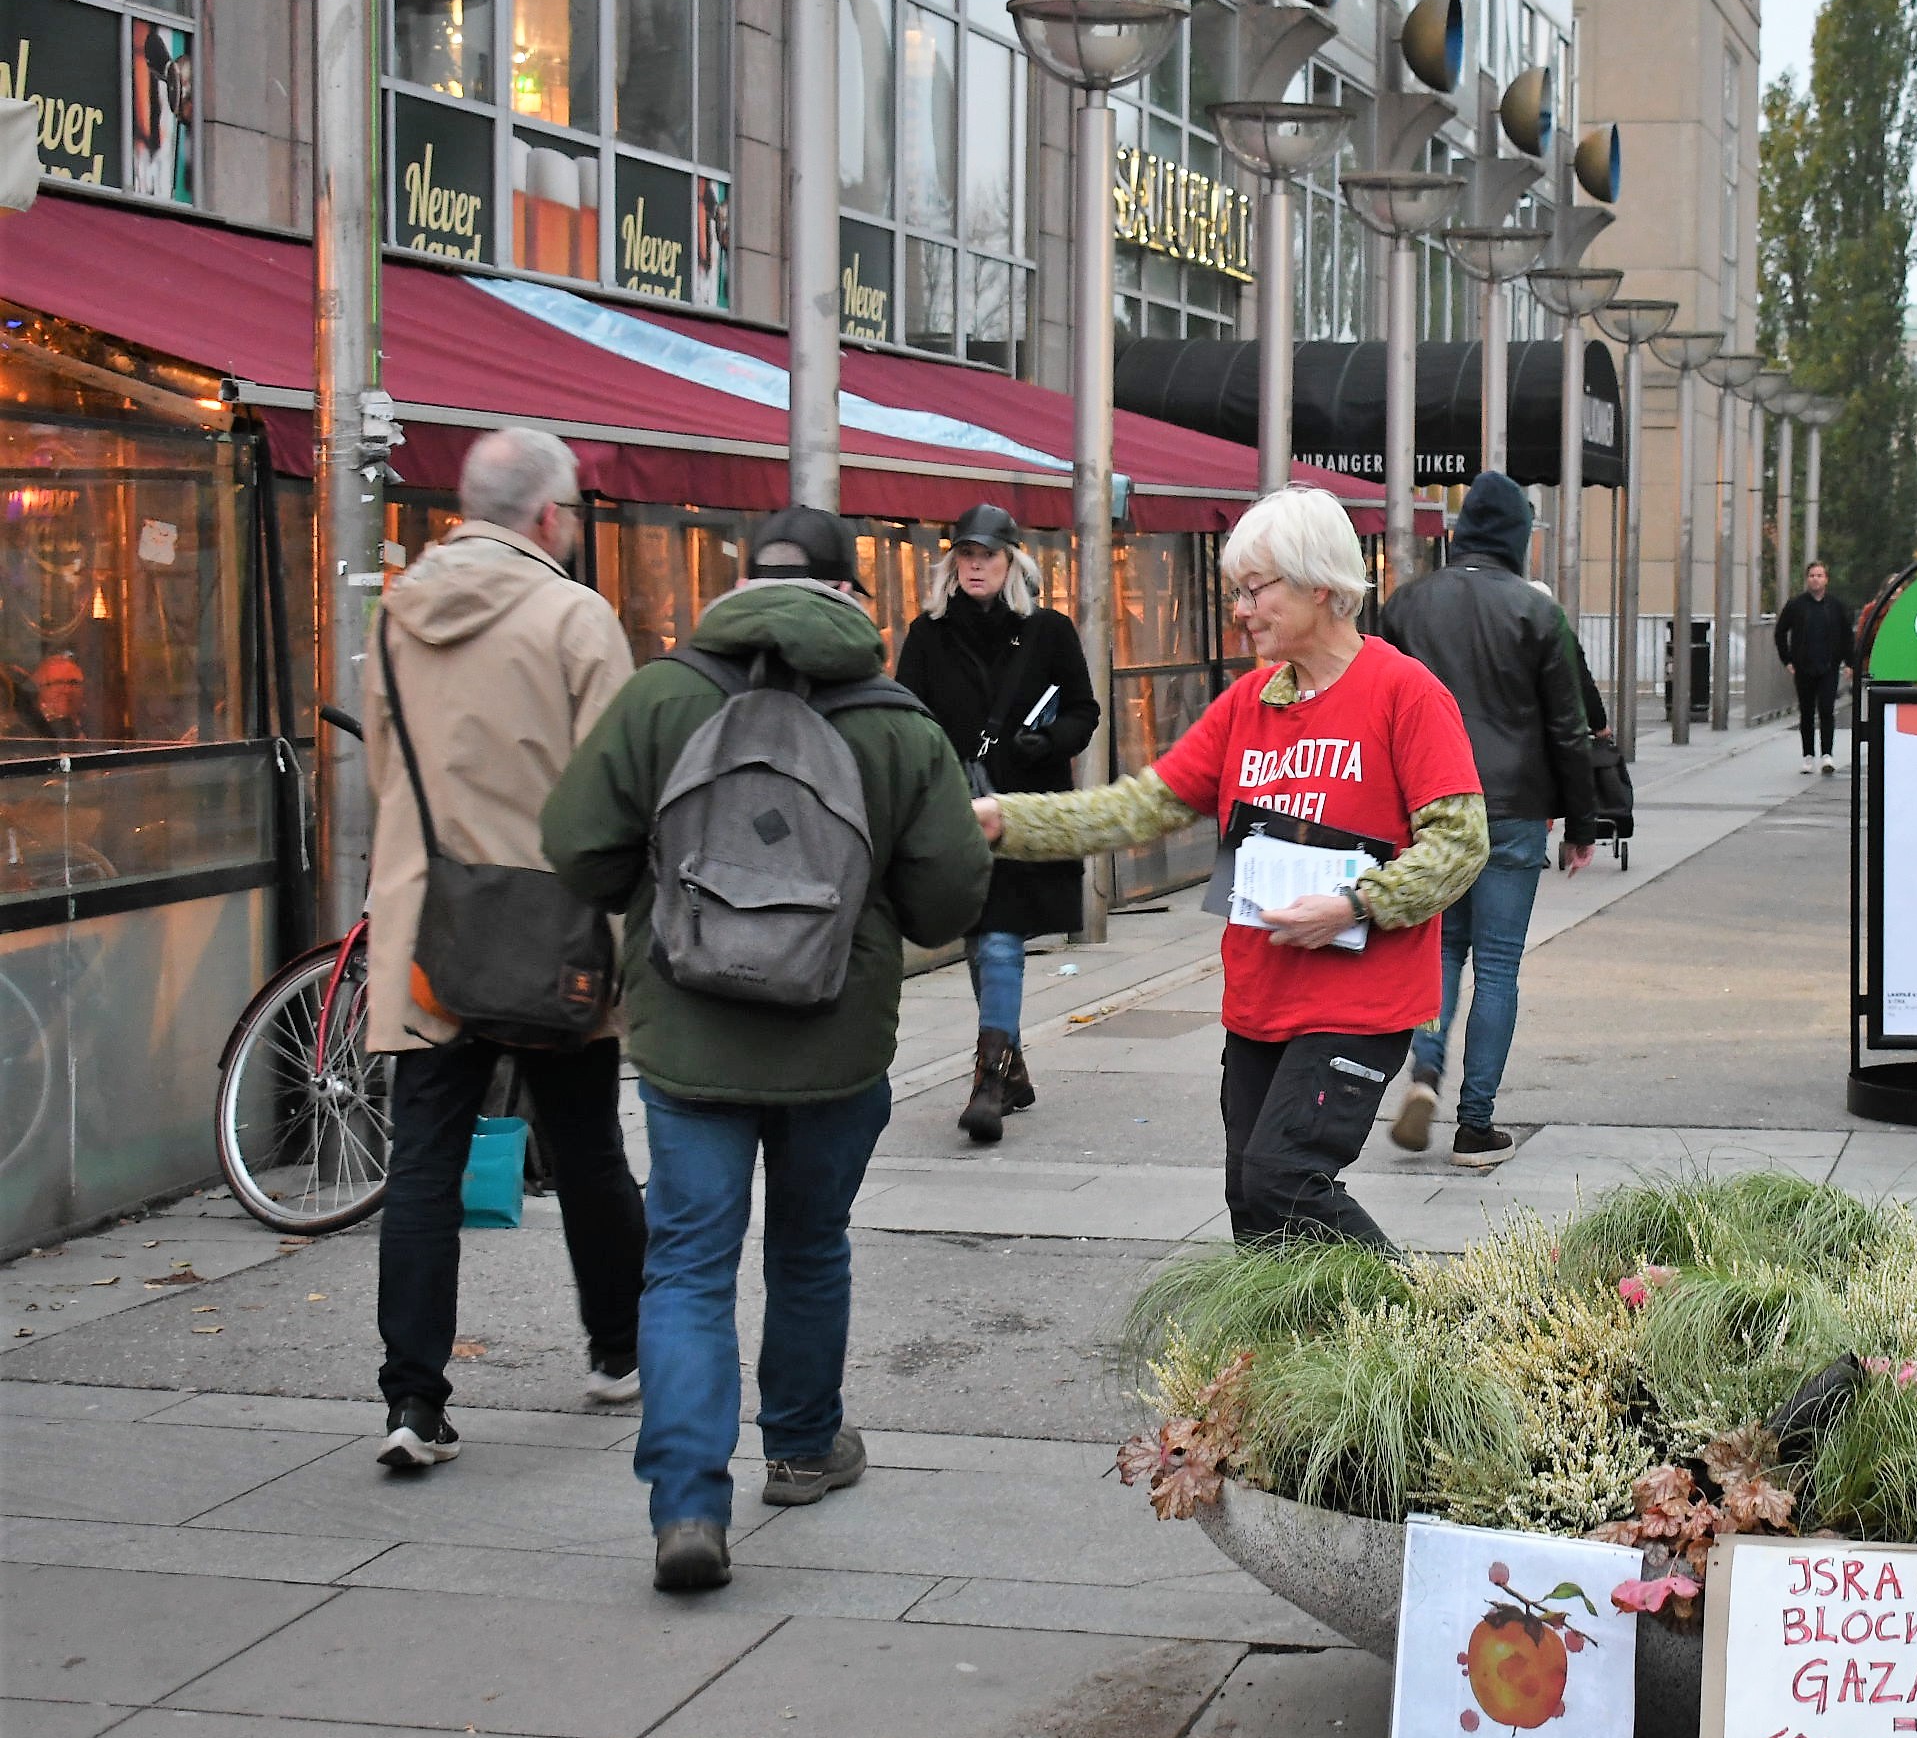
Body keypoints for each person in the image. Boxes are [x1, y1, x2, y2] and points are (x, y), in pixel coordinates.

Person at [541, 504, 991, 1591]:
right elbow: (944, 900)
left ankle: (689, 1505)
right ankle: (799, 1444)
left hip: (690, 1037)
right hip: (836, 1040)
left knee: (688, 1263)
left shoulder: (662, 697)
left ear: (744, 583)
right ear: (850, 592)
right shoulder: (896, 720)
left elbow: (575, 847)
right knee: (810, 1241)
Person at [973, 486, 1487, 1246]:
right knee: (1254, 1208)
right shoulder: (1248, 704)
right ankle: (1295, 1361)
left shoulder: (1403, 694)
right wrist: (1004, 821)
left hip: (1359, 1004)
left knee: (1284, 1180)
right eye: (1235, 592)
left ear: (1321, 584)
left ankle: (1426, 1341)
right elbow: (1138, 808)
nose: (1240, 610)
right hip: (1259, 1001)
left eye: (1255, 590)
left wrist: (1355, 904)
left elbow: (1459, 841)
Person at [361, 427, 648, 1473]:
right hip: (554, 929)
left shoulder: (396, 611)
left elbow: (386, 769)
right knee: (586, 1148)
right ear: (548, 516)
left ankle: (413, 1399)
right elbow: (615, 791)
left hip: (429, 929)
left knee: (425, 1164)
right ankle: (617, 1349)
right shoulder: (576, 617)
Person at [1377, 473, 1598, 1169]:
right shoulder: (1535, 612)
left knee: (1441, 952)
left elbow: (1379, 711)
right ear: (1516, 536)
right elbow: (1569, 728)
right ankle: (1476, 1127)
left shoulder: (1406, 606)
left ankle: (1424, 1073)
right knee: (1497, 966)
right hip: (1511, 810)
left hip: (1430, 806)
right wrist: (1584, 823)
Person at [892, 503, 1099, 1143]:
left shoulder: (1050, 631)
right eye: (965, 554)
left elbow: (1084, 711)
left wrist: (1051, 740)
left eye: (987, 555)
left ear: (1012, 561)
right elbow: (909, 716)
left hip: (1027, 812)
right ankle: (1010, 1066)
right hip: (957, 808)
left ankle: (987, 1077)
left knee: (1001, 936)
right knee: (983, 939)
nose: (975, 565)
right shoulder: (927, 634)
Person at [1774, 562, 1855, 774]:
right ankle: (1808, 756)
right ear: (1807, 579)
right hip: (1803, 667)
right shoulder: (1796, 605)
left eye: (1819, 575)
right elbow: (1780, 632)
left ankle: (1827, 755)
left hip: (1828, 666)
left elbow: (1848, 635)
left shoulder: (1836, 606)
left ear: (1826, 579)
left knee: (1827, 710)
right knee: (1807, 712)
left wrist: (1850, 662)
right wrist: (1787, 659)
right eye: (1811, 575)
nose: (1815, 579)